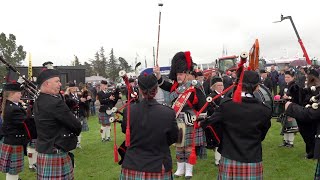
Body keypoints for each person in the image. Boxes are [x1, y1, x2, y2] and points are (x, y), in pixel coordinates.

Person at [202, 70, 272, 179]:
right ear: (257, 87)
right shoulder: (265, 110)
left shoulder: (226, 106)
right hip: (253, 157)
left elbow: (211, 125)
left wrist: (222, 140)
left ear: (238, 84)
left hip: (229, 157)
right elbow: (262, 135)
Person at [154, 51, 206, 179]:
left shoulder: (194, 87)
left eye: (181, 74)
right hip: (177, 119)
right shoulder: (175, 87)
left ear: (188, 74)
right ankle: (180, 168)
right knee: (178, 145)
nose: (179, 76)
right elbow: (163, 84)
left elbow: (203, 104)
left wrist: (200, 119)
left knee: (188, 146)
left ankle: (189, 170)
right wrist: (158, 74)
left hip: (189, 119)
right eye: (177, 74)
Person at [119, 73, 178, 180]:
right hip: (158, 165)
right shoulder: (168, 112)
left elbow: (125, 131)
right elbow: (173, 138)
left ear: (140, 90)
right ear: (156, 90)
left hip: (132, 165)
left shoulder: (128, 110)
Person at [33, 69, 82, 180]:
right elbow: (76, 125)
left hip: (45, 149)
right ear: (47, 83)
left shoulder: (38, 100)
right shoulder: (55, 103)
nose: (60, 84)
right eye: (57, 81)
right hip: (56, 150)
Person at [0, 82, 29, 180]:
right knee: (13, 171)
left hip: (11, 140)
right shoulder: (13, 109)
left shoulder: (11, 105)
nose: (21, 95)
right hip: (14, 142)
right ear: (12, 94)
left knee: (12, 171)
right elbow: (26, 121)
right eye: (19, 93)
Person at [278, 70, 300, 148]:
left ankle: (290, 142)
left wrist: (289, 97)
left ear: (293, 77)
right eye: (285, 77)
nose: (286, 78)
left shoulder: (295, 86)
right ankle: (285, 141)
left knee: (290, 125)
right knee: (284, 124)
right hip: (284, 107)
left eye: (288, 77)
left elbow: (297, 98)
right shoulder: (284, 85)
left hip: (292, 107)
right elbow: (280, 94)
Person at [207, 77, 224, 166]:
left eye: (222, 85)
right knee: (218, 140)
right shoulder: (211, 97)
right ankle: (218, 160)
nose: (221, 87)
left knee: (222, 140)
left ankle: (221, 157)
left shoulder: (224, 95)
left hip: (223, 122)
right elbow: (210, 110)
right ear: (214, 86)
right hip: (216, 123)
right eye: (219, 85)